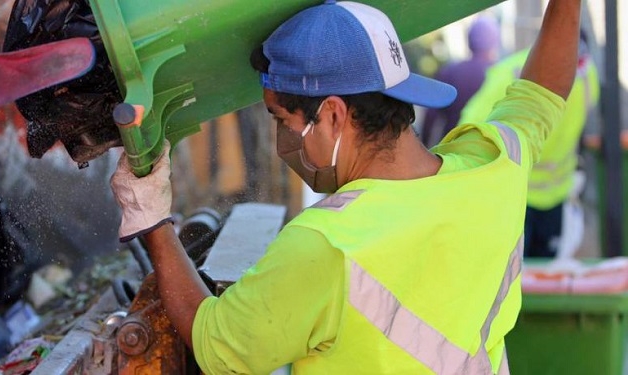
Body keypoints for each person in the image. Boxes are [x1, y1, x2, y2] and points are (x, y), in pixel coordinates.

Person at [109, 0, 581, 373]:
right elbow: (543, 92)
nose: (281, 144)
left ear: (333, 114)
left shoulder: (327, 244)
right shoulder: (495, 165)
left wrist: (153, 221)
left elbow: (217, 346)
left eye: (281, 119)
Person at [459, 35, 600, 258]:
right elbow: (469, 127)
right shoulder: (514, 72)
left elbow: (468, 126)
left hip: (549, 194)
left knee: (531, 275)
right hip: (516, 194)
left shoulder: (587, 75)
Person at [420, 15, 501, 147]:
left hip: (452, 151)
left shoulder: (450, 72)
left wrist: (424, 146)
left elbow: (430, 117)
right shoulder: (502, 75)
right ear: (495, 42)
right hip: (489, 154)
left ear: (469, 40)